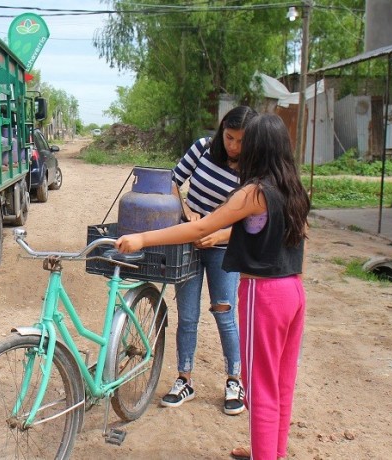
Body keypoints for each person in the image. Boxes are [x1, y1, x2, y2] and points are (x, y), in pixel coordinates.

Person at [117, 113, 309, 460]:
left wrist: (143, 237)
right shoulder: (292, 187)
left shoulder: (255, 191)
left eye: (246, 143)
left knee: (260, 389)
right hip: (293, 292)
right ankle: (271, 452)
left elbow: (198, 230)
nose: (237, 149)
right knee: (280, 384)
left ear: (259, 149)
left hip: (263, 296)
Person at [162, 106, 257, 415]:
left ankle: (234, 380)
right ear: (221, 132)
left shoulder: (253, 170)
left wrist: (217, 236)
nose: (233, 146)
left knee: (224, 313)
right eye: (229, 137)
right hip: (188, 242)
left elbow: (247, 223)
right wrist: (187, 212)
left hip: (223, 249)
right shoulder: (202, 149)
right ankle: (184, 379)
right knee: (187, 316)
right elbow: (172, 181)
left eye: (241, 140)